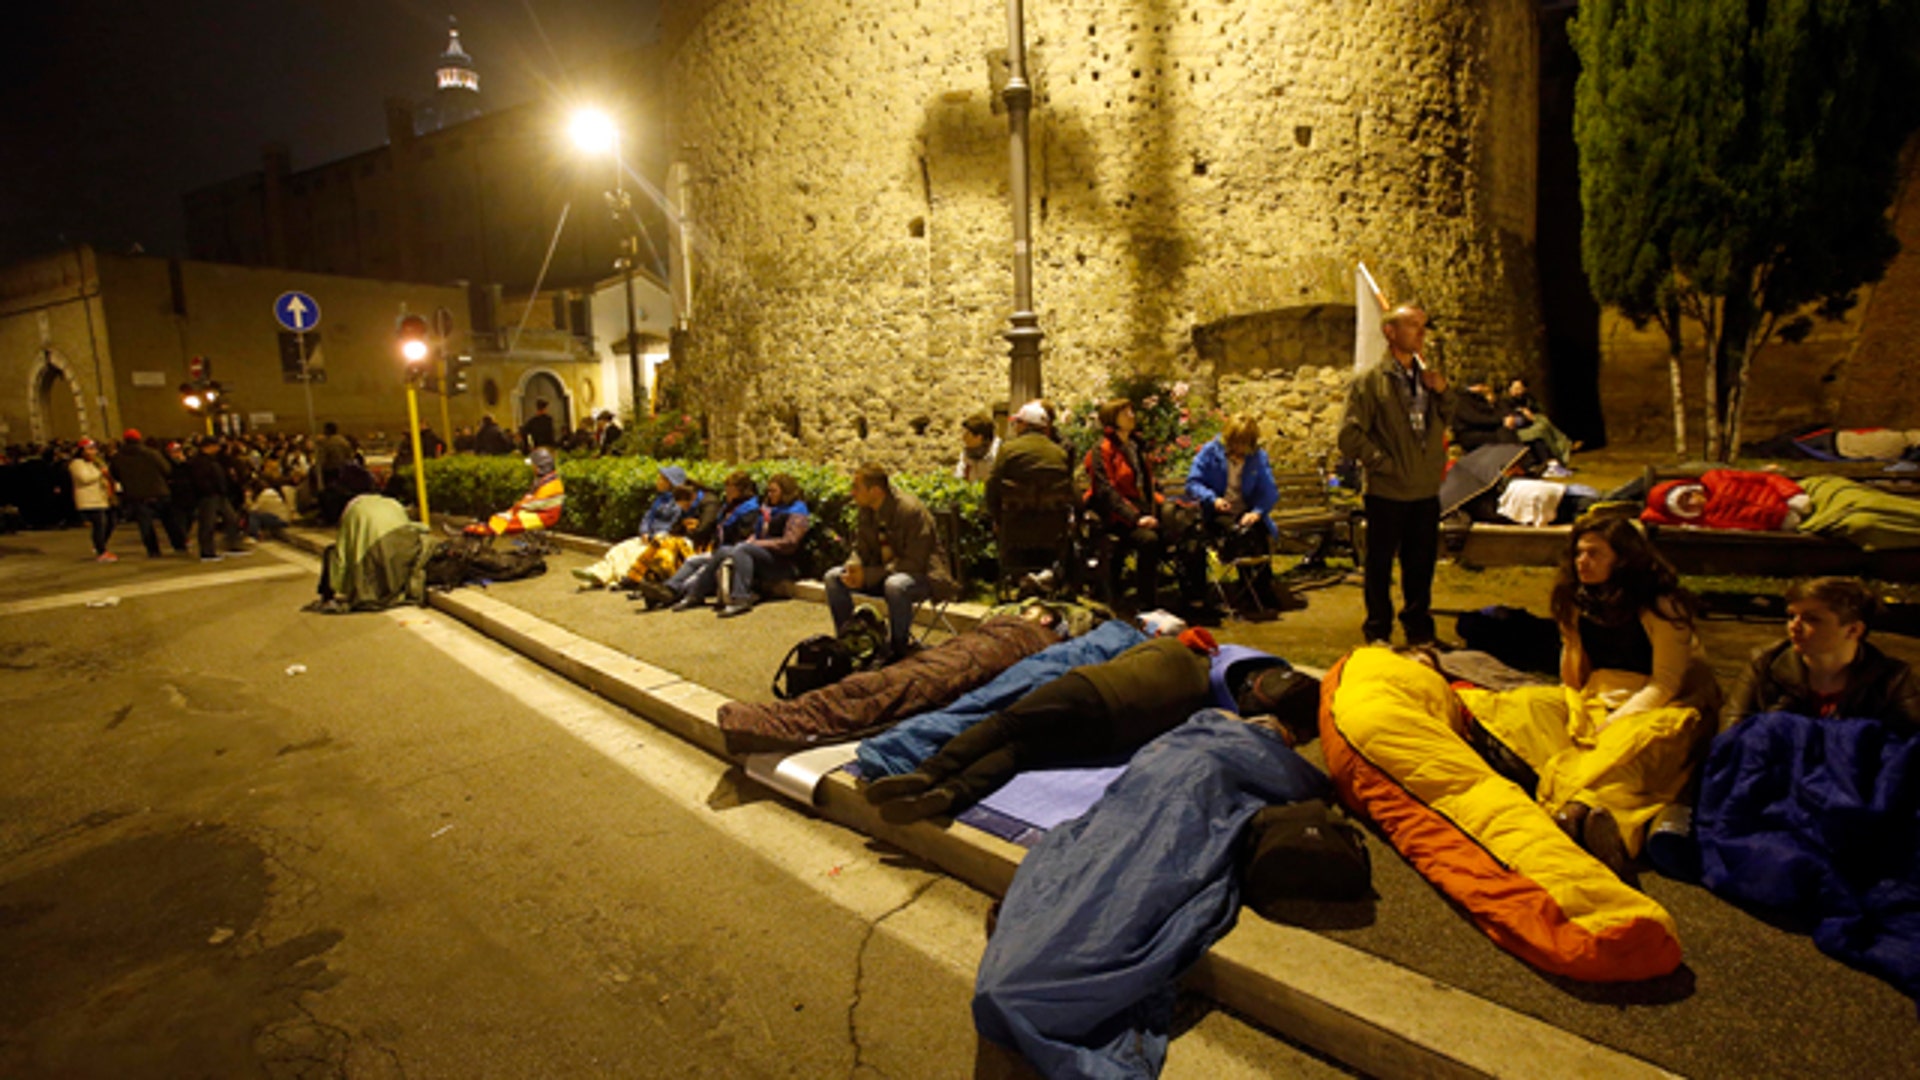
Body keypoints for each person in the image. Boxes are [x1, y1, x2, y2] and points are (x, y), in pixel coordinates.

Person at [864, 629, 1320, 823]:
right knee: (1021, 753)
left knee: (1003, 724)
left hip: (1088, 689)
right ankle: (950, 794)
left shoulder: (1171, 651)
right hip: (1112, 733)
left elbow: (1120, 657)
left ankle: (928, 773)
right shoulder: (1202, 708)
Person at [1502, 515, 1717, 875]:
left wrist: (1617, 720)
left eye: (1594, 554)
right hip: (1598, 692)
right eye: (1579, 553)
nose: (1582, 562)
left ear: (1622, 558)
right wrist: (1573, 704)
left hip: (1657, 703)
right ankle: (1568, 808)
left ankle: (1593, 820)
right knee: (1523, 707)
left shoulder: (1661, 605)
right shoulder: (1577, 599)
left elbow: (1665, 682)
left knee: (1627, 748)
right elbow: (1573, 671)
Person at [1337, 303, 1454, 645]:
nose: (1421, 333)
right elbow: (1349, 435)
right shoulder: (1370, 383)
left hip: (1424, 491)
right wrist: (1385, 464)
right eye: (1412, 325)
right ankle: (1378, 631)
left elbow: (1448, 418)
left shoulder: (1426, 378)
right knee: (1380, 566)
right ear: (1390, 332)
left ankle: (1419, 630)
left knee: (1421, 566)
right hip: (1387, 492)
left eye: (1422, 326)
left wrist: (1444, 392)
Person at [1723, 577, 1920, 729]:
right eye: (1792, 616)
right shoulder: (1766, 663)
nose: (1794, 626)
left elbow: (1908, 747)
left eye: (1811, 619)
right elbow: (1732, 731)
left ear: (1853, 630)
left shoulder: (1891, 678)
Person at [1084, 397, 1204, 613]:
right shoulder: (1102, 450)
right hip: (1118, 517)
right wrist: (1135, 517)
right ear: (1113, 419)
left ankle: (1194, 598)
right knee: (1149, 540)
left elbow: (1148, 485)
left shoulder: (1136, 446)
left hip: (1144, 511)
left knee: (1187, 531)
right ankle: (1146, 604)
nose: (1133, 416)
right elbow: (1106, 492)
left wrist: (1160, 506)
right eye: (1126, 412)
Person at [825, 464, 957, 657]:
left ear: (876, 491)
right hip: (881, 575)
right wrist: (853, 565)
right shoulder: (866, 510)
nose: (852, 493)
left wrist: (869, 575)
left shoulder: (910, 511)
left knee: (895, 585)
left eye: (857, 488)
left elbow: (915, 562)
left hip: (923, 576)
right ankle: (849, 641)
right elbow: (859, 548)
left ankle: (898, 649)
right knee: (833, 578)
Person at [1185, 414, 1281, 607]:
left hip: (1246, 510)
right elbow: (1193, 483)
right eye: (1236, 442)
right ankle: (1248, 588)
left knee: (1259, 532)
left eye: (1244, 443)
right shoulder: (1210, 452)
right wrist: (1213, 500)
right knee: (1239, 534)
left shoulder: (1257, 457)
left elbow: (1269, 490)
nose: (1239, 448)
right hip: (1218, 513)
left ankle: (1260, 589)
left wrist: (1257, 512)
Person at [986, 401, 1075, 585]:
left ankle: (1018, 578)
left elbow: (992, 486)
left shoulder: (1009, 450)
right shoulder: (1059, 453)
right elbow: (1071, 490)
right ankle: (1046, 577)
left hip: (1015, 527)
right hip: (1052, 529)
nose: (1015, 427)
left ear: (1024, 425)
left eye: (1016, 423)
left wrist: (997, 518)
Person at [110, 430, 184, 557]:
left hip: (135, 494)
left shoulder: (117, 457)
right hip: (158, 491)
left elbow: (115, 475)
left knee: (145, 523)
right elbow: (166, 469)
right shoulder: (151, 453)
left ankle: (153, 550)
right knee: (169, 521)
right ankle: (178, 545)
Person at [465, 448, 565, 537]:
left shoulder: (551, 484)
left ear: (541, 466)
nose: (533, 468)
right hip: (541, 513)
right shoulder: (546, 479)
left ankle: (488, 529)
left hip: (545, 516)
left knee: (508, 521)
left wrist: (517, 507)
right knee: (506, 516)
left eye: (534, 466)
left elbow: (534, 503)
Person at [188, 435, 250, 561]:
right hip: (208, 496)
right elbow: (199, 480)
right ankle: (207, 552)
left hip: (220, 495)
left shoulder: (214, 459)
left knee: (232, 519)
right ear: (209, 447)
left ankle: (233, 545)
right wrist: (210, 490)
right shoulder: (199, 461)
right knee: (208, 524)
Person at [1504, 377, 1577, 468]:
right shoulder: (1506, 402)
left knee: (1543, 421)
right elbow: (1512, 420)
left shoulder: (1528, 399)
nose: (1518, 391)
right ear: (1509, 389)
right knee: (1542, 427)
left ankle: (1562, 448)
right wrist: (1522, 413)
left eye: (1520, 388)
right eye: (1515, 388)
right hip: (1518, 432)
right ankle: (1562, 449)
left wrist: (1530, 413)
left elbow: (1540, 409)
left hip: (1530, 425)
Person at [69, 438, 116, 562]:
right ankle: (101, 551)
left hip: (100, 497)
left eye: (94, 449)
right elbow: (84, 478)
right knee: (100, 524)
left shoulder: (95, 462)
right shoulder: (76, 464)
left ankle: (100, 545)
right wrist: (100, 473)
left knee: (111, 522)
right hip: (89, 499)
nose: (93, 452)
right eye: (90, 449)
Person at [955, 412, 1000, 484]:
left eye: (967, 435)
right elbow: (960, 475)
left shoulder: (998, 455)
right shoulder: (967, 453)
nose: (963, 438)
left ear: (979, 437)